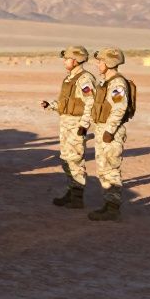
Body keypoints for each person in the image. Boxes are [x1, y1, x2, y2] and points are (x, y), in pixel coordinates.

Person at [39, 46, 96, 209]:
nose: (64, 62)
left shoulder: (85, 79)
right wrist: (50, 105)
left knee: (76, 161)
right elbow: (66, 103)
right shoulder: (69, 78)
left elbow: (90, 103)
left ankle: (77, 198)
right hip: (66, 124)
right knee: (66, 161)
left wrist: (84, 125)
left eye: (67, 59)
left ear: (76, 60)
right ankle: (71, 193)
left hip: (77, 125)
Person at [88, 47, 131, 221]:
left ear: (109, 63)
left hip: (110, 133)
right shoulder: (105, 81)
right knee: (103, 169)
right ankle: (108, 204)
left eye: (101, 61)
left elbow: (120, 108)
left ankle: (113, 209)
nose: (99, 65)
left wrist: (110, 131)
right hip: (102, 131)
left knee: (111, 170)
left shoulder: (117, 84)